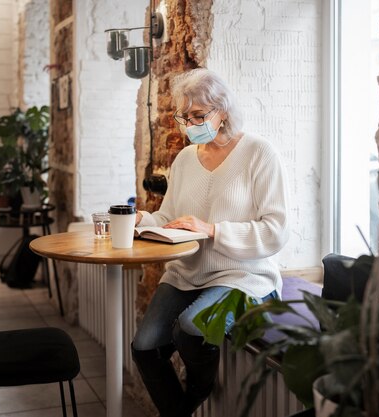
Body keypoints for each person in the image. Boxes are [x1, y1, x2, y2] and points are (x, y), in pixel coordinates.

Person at [130, 68, 290, 417]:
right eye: (184, 116)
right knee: (144, 347)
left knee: (190, 330)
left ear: (224, 111)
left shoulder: (259, 154)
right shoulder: (186, 159)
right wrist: (144, 219)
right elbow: (170, 217)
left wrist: (214, 230)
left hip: (244, 277)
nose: (190, 123)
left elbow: (276, 231)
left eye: (198, 115)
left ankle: (190, 400)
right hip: (187, 273)